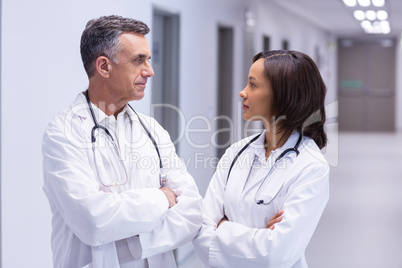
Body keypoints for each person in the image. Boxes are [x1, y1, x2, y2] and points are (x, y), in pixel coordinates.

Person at [42, 15, 202, 268]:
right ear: (104, 66)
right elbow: (93, 221)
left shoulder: (152, 130)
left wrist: (133, 240)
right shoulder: (63, 132)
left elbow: (192, 212)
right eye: (139, 60)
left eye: (148, 60)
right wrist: (162, 199)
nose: (150, 71)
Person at [193, 50, 330, 267]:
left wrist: (223, 228)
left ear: (283, 96)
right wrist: (259, 236)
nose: (242, 92)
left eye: (253, 85)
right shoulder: (237, 152)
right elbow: (200, 230)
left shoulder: (310, 166)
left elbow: (276, 254)